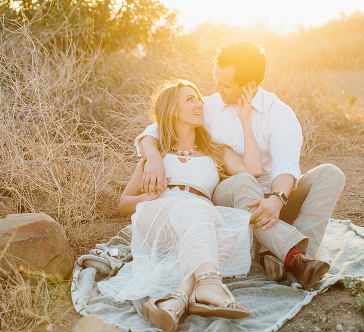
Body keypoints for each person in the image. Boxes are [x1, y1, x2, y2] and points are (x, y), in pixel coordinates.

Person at [135, 41, 345, 289]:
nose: (216, 88)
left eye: (224, 84)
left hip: (274, 199)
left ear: (250, 85)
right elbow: (158, 128)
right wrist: (154, 156)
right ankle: (294, 259)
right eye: (216, 80)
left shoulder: (279, 114)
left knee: (331, 174)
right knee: (244, 181)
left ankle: (282, 253)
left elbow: (285, 165)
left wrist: (276, 200)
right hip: (229, 196)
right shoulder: (210, 107)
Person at [100, 80, 263, 332]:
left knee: (216, 226)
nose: (199, 104)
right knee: (199, 213)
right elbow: (124, 204)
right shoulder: (155, 156)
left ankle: (177, 301)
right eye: (190, 99)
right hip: (159, 215)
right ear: (173, 110)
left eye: (199, 99)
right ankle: (208, 284)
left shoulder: (216, 152)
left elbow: (253, 170)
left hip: (199, 219)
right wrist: (149, 197)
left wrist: (245, 119)